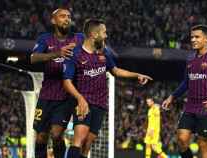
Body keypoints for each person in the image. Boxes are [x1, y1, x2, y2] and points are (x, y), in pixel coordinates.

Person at [63, 18, 153, 158]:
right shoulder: (75, 54)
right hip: (83, 103)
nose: (106, 35)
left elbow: (115, 71)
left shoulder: (103, 53)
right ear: (94, 35)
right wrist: (80, 99)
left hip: (100, 104)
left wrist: (136, 75)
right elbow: (66, 81)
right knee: (79, 139)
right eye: (104, 32)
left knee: (87, 145)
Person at [162, 24, 207, 158]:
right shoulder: (190, 59)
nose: (193, 40)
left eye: (197, 37)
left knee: (203, 145)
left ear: (206, 39)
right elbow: (186, 83)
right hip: (190, 108)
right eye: (192, 37)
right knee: (182, 140)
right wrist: (172, 97)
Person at [30, 8, 84, 158]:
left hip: (66, 96)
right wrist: (57, 53)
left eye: (68, 16)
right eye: (62, 16)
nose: (66, 19)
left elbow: (95, 46)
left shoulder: (79, 38)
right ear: (53, 20)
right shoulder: (45, 39)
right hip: (46, 95)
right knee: (41, 136)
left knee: (56, 134)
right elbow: (33, 58)